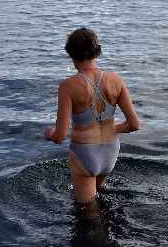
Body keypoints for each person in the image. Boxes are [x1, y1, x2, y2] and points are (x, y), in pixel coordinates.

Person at [44, 27, 140, 203]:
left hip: (85, 152)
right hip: (110, 150)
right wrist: (112, 128)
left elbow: (60, 136)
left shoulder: (68, 86)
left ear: (70, 53)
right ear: (97, 51)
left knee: (87, 212)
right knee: (101, 198)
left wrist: (49, 134)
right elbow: (134, 124)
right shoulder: (116, 80)